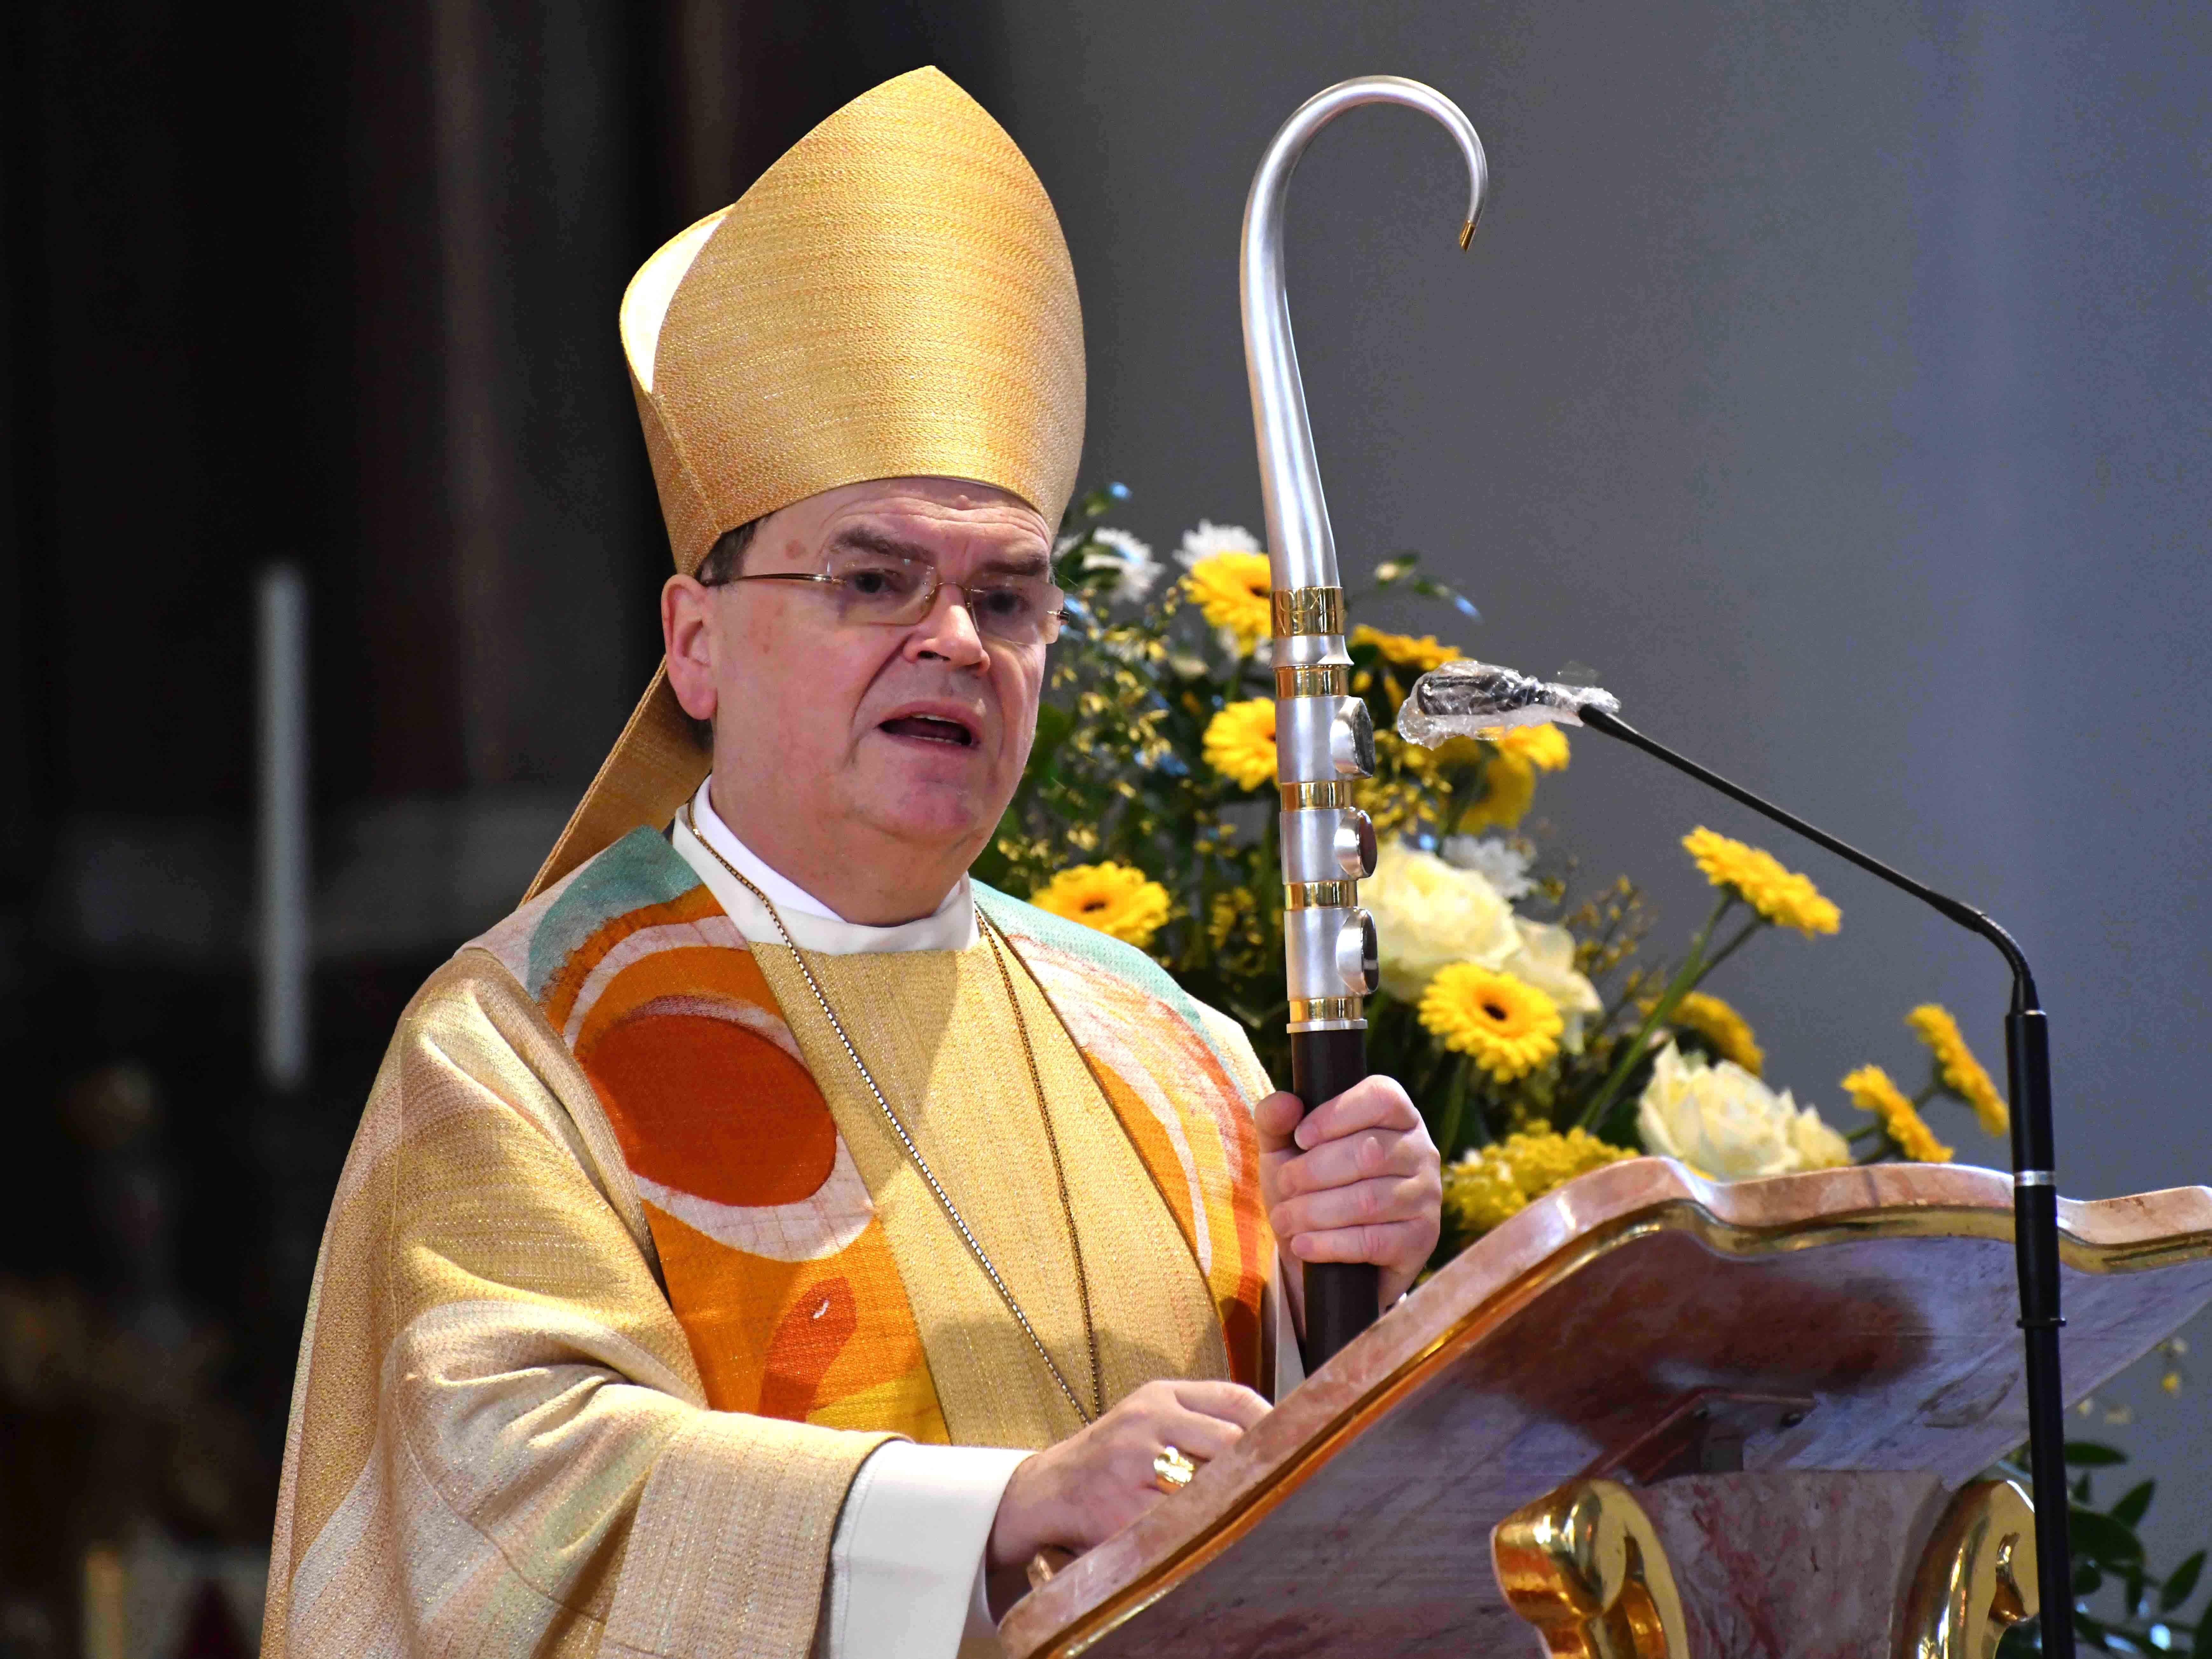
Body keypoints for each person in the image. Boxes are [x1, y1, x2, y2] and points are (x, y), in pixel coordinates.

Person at [262, 68, 1440, 1659]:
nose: (955, 641)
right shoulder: (520, 1046)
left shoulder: (1170, 1053)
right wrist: (998, 1508)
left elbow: (1290, 1531)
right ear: (697, 647)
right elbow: (499, 1505)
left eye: (1009, 599)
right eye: (876, 577)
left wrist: (1352, 1299)